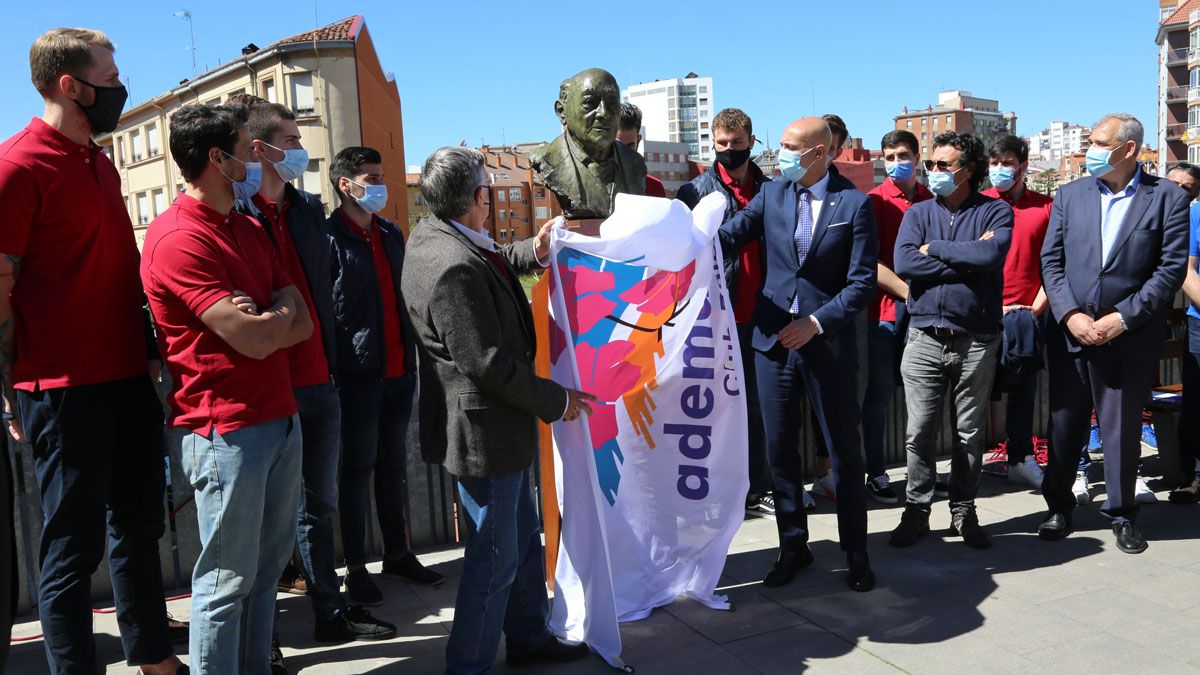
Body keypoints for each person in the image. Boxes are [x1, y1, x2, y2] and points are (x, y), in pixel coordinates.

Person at [0, 28, 184, 674]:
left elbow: (119, 271)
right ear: (70, 86)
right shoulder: (16, 167)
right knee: (71, 553)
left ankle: (155, 658)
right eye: (109, 78)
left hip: (127, 378)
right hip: (62, 389)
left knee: (139, 528)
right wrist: (12, 390)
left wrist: (148, 349)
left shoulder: (100, 162)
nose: (119, 88)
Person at [402, 146, 596, 672]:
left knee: (522, 544)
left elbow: (491, 262)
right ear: (478, 198)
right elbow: (486, 363)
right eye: (487, 190)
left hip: (496, 427)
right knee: (494, 559)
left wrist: (534, 249)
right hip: (484, 432)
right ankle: (469, 664)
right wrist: (558, 400)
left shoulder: (439, 238)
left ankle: (530, 638)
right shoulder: (451, 268)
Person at [141, 103, 311, 671]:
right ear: (217, 158)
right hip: (227, 432)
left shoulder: (247, 225)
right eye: (247, 145)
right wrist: (270, 318)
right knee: (224, 585)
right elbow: (259, 341)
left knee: (265, 577)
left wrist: (269, 313)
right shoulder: (176, 239)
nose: (257, 154)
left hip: (278, 419)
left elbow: (301, 318)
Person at [717, 117, 878, 592]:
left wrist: (815, 322)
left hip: (825, 344)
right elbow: (729, 236)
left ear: (820, 153)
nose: (781, 154)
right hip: (772, 342)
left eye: (790, 147)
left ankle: (856, 552)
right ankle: (794, 547)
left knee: (845, 455)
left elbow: (861, 283)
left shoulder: (855, 204)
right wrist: (670, 240)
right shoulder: (773, 195)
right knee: (780, 452)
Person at [1038, 113, 1189, 553]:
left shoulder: (1166, 198)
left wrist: (1122, 318)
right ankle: (1059, 506)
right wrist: (1069, 315)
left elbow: (1169, 270)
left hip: (1129, 335)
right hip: (1072, 334)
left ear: (1128, 149)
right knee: (1064, 425)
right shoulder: (1069, 195)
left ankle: (1122, 514)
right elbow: (1052, 262)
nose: (1090, 149)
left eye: (1100, 142)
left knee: (1121, 427)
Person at [327, 146, 444, 606]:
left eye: (380, 175)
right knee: (355, 472)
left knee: (392, 467)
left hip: (399, 373)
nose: (379, 184)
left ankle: (397, 553)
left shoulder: (392, 234)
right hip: (356, 379)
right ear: (345, 185)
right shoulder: (328, 239)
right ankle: (355, 567)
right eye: (369, 177)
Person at [890, 131, 1013, 550]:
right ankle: (917, 509)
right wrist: (963, 259)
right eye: (932, 165)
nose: (935, 172)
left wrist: (937, 250)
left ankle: (964, 510)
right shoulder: (919, 212)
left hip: (977, 339)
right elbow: (905, 262)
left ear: (969, 169)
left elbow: (991, 258)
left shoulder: (996, 212)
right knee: (919, 431)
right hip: (924, 334)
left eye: (945, 165)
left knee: (968, 433)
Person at [677, 108, 775, 515]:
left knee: (760, 407)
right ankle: (719, 489)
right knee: (713, 409)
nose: (729, 151)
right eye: (721, 144)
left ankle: (761, 486)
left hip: (766, 313)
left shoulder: (773, 190)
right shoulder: (693, 193)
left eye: (736, 144)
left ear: (751, 141)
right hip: (716, 317)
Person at [861, 130, 932, 504]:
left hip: (926, 312)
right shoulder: (872, 202)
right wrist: (908, 293)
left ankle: (924, 473)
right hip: (885, 313)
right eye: (888, 157)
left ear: (918, 157)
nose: (895, 163)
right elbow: (868, 263)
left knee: (925, 397)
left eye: (902, 155)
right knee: (880, 394)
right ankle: (876, 472)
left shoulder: (932, 200)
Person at [982, 135, 1052, 489]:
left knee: (1024, 391)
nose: (998, 170)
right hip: (984, 315)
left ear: (1023, 165)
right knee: (975, 392)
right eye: (993, 163)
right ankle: (967, 469)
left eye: (1006, 163)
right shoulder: (977, 205)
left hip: (1028, 315)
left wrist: (1035, 308)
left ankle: (1021, 458)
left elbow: (1056, 266)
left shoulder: (1047, 207)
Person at [530, 68, 645, 218]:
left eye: (611, 103)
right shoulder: (547, 160)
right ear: (562, 112)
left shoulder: (635, 164)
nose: (603, 113)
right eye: (590, 103)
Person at [1168, 161, 1200, 504]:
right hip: (1199, 321)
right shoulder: (1195, 215)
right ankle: (1190, 476)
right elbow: (1185, 270)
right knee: (1195, 404)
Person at [615, 102, 666, 197]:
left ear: (638, 140)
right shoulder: (594, 187)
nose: (623, 152)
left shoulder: (655, 188)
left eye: (629, 146)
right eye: (618, 145)